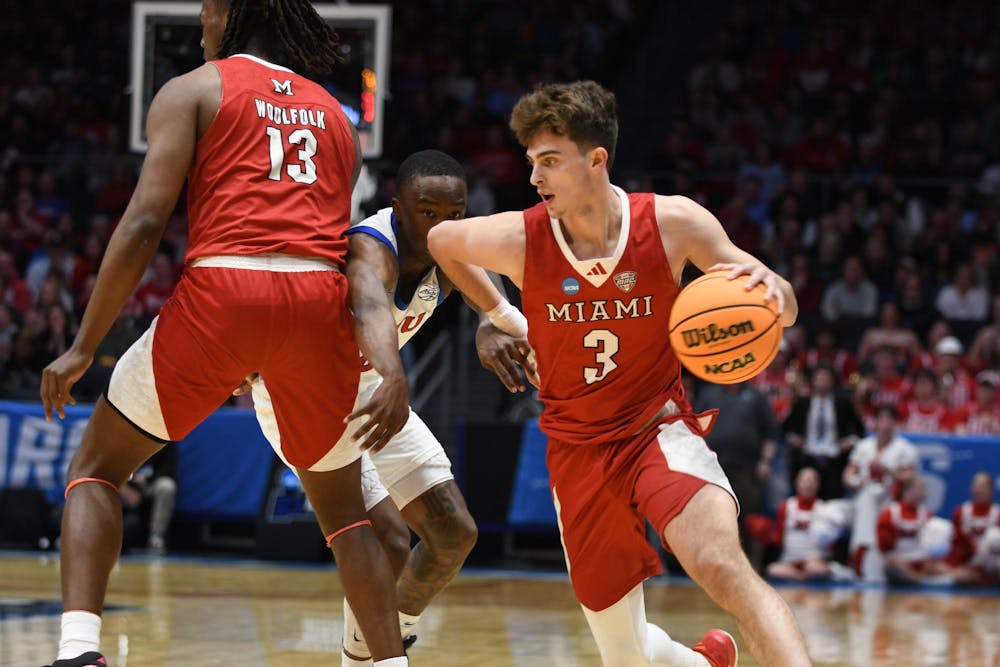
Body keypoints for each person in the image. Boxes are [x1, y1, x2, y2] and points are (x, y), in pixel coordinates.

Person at [38, 2, 409, 666]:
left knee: (95, 469)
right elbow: (337, 248)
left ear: (232, 14)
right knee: (346, 514)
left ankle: (79, 651)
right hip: (316, 303)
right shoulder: (336, 117)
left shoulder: (194, 89)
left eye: (209, 9)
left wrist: (82, 344)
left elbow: (145, 222)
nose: (201, 23)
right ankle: (391, 663)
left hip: (224, 288)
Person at [428, 81, 811, 667]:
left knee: (720, 566)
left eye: (550, 162)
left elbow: (778, 298)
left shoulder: (672, 222)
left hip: (657, 428)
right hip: (577, 449)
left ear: (597, 159)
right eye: (532, 163)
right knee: (627, 657)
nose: (536, 178)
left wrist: (776, 294)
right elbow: (439, 241)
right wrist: (501, 316)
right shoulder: (522, 239)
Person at [241, 149, 532, 667]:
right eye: (428, 212)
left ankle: (389, 629)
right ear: (397, 207)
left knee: (454, 534)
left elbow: (491, 289)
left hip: (373, 390)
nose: (443, 226)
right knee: (390, 541)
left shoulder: (451, 249)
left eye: (456, 215)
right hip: (309, 395)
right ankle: (375, 655)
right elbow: (371, 305)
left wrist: (491, 325)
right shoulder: (372, 248)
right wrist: (396, 376)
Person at [843, 405, 919, 582]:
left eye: (889, 420)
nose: (885, 424)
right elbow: (848, 474)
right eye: (881, 419)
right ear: (874, 423)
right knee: (862, 505)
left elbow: (911, 477)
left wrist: (888, 470)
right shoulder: (863, 446)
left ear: (895, 423)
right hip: (865, 496)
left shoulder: (905, 448)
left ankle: (883, 570)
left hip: (892, 498)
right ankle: (858, 561)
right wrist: (855, 481)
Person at [783, 362, 864, 499]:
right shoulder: (802, 403)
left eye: (826, 378)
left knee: (831, 500)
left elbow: (859, 428)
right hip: (808, 457)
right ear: (813, 380)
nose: (822, 381)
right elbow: (786, 428)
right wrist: (794, 439)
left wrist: (850, 441)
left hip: (834, 460)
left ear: (832, 381)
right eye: (819, 377)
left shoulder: (842, 403)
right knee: (805, 497)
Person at [766, 467, 832, 581]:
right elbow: (778, 538)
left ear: (818, 485)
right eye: (805, 481)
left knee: (815, 569)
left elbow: (829, 544)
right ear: (797, 483)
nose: (808, 485)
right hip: (790, 562)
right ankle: (802, 577)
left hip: (813, 561)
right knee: (772, 569)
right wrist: (766, 534)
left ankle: (811, 574)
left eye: (812, 481)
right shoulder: (787, 506)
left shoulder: (824, 508)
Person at [947, 471, 1000, 585]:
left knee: (994, 535)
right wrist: (956, 568)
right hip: (968, 563)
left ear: (991, 490)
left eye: (983, 487)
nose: (979, 491)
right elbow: (955, 544)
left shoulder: (998, 513)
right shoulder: (961, 512)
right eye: (976, 486)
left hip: (993, 565)